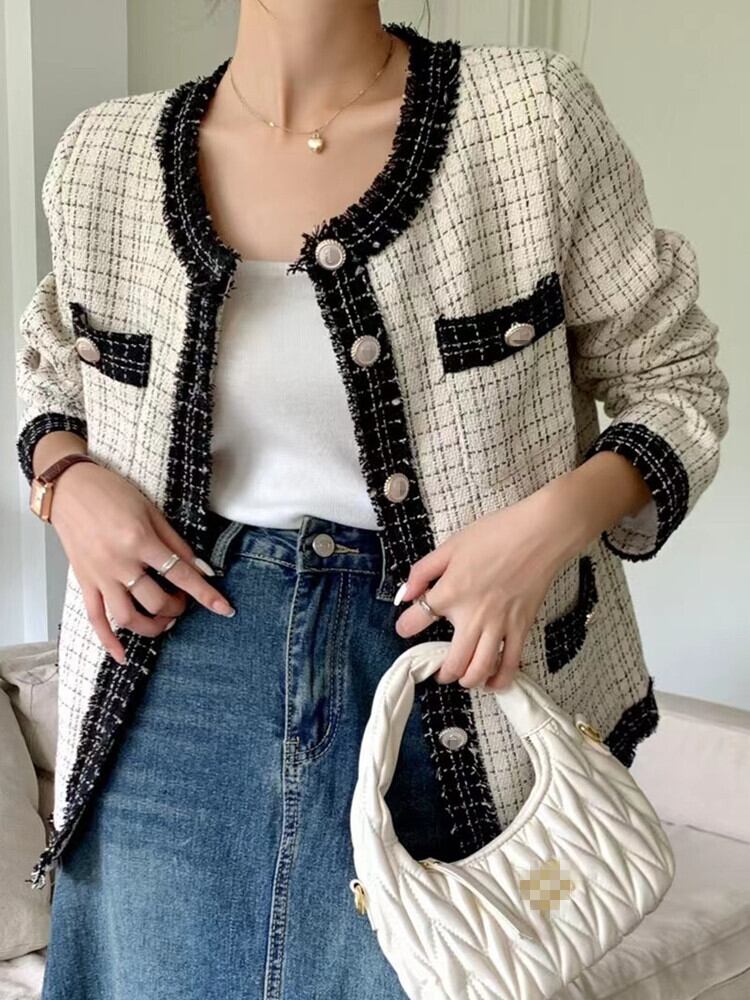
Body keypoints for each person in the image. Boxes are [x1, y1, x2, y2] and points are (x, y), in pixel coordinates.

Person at [15, 1, 728, 997]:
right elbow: (53, 363)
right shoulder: (105, 155)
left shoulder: (529, 120)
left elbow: (676, 378)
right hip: (174, 686)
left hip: (449, 674)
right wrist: (66, 477)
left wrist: (546, 533)